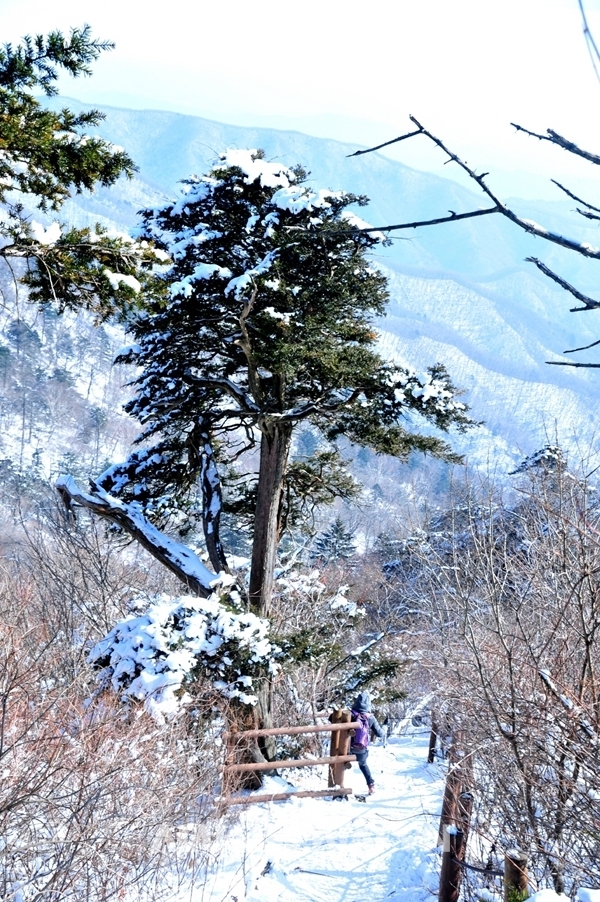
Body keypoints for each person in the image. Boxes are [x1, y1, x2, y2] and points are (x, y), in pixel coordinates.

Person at [350, 691, 384, 795]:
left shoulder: (351, 714)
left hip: (347, 750)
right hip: (361, 751)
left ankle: (338, 785)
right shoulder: (370, 717)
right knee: (363, 765)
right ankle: (371, 786)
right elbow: (380, 734)